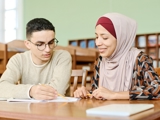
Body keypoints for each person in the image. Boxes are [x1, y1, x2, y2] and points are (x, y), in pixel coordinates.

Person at [74, 13, 160, 100]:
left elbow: (157, 89)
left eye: (104, 38)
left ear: (120, 38)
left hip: (133, 113)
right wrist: (86, 93)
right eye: (96, 37)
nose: (98, 43)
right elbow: (98, 92)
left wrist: (114, 95)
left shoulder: (140, 59)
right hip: (104, 112)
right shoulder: (100, 61)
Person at [0, 18, 72, 100]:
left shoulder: (62, 56)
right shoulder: (18, 60)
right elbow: (2, 88)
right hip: (29, 110)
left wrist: (23, 92)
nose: (47, 49)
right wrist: (30, 91)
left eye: (51, 42)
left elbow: (57, 91)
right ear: (28, 44)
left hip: (57, 110)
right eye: (40, 44)